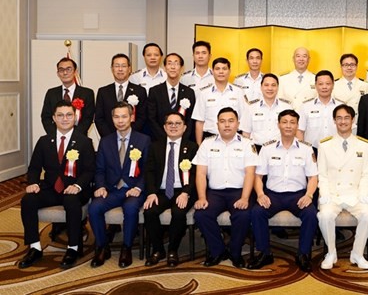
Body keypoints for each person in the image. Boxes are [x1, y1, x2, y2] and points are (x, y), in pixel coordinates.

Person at [18, 100, 95, 269]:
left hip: (74, 189)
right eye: (60, 115)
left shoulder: (84, 142)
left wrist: (78, 186)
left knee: (71, 202)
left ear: (75, 117)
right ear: (54, 118)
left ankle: (73, 248)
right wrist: (33, 183)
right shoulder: (44, 141)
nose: (65, 119)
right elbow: (34, 167)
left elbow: (90, 170)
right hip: (51, 188)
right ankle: (34, 247)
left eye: (69, 115)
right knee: (28, 200)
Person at [247, 109, 318, 272]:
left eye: (292, 123)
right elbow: (258, 177)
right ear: (278, 124)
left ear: (297, 126)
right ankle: (264, 253)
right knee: (257, 212)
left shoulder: (306, 149)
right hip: (273, 195)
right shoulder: (267, 148)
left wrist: (309, 195)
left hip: (298, 195)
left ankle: (303, 254)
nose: (288, 126)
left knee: (311, 214)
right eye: (284, 122)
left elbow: (313, 177)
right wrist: (260, 194)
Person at [192, 107, 258, 268]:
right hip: (215, 193)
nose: (226, 125)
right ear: (217, 124)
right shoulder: (207, 144)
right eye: (222, 121)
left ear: (238, 124)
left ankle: (235, 253)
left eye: (231, 121)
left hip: (239, 191)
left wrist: (244, 198)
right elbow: (200, 174)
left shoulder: (248, 144)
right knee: (201, 214)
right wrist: (201, 197)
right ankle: (218, 251)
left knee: (243, 215)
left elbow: (251, 173)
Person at [88, 102, 151, 268]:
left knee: (130, 209)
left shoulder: (143, 140)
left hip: (134, 189)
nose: (120, 120)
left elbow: (148, 170)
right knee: (94, 208)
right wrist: (100, 186)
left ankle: (127, 248)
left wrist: (138, 188)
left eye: (124, 116)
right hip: (112, 190)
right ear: (112, 118)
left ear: (132, 117)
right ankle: (102, 247)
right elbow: (100, 169)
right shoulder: (105, 141)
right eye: (116, 117)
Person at [317, 104, 368, 270]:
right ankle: (331, 252)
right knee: (324, 216)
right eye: (339, 118)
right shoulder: (324, 144)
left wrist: (363, 193)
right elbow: (322, 174)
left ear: (353, 120)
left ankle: (357, 253)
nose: (343, 122)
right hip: (333, 194)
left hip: (354, 193)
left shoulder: (363, 145)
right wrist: (324, 193)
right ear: (334, 121)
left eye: (347, 118)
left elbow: (366, 174)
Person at [143, 111, 198, 267]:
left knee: (179, 212)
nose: (174, 126)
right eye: (170, 123)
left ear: (185, 127)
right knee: (150, 211)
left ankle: (173, 250)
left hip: (183, 190)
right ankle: (158, 249)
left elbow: (195, 174)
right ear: (164, 127)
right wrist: (151, 192)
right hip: (161, 191)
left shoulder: (192, 147)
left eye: (178, 123)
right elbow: (150, 171)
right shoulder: (155, 146)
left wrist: (186, 193)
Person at [192, 57, 244, 144]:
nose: (221, 72)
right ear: (212, 71)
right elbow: (199, 122)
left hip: (233, 139)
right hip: (210, 138)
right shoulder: (204, 93)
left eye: (224, 69)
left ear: (229, 71)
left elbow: (243, 119)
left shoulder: (238, 92)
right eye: (217, 69)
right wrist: (199, 145)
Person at [95, 53, 147, 137]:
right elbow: (99, 118)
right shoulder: (103, 92)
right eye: (117, 66)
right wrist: (111, 137)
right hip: (109, 138)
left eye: (123, 66)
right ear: (112, 69)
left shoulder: (140, 91)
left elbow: (142, 117)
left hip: (133, 138)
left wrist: (128, 135)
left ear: (129, 69)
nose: (120, 69)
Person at [147, 53, 196, 142]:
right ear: (165, 67)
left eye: (176, 63)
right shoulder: (154, 91)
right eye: (169, 63)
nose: (173, 67)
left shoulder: (189, 92)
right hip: (160, 140)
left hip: (183, 141)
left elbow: (190, 120)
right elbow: (152, 118)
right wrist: (165, 138)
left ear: (181, 68)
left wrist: (182, 138)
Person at [41, 57, 95, 136]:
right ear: (58, 73)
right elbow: (46, 117)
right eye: (61, 70)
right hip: (56, 138)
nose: (65, 73)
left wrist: (73, 136)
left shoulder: (87, 93)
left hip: (79, 137)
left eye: (69, 69)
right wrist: (57, 134)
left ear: (75, 72)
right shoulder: (51, 93)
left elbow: (88, 118)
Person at [240, 73, 292, 150]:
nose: (270, 88)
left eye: (273, 85)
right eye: (266, 85)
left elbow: (291, 132)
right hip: (257, 149)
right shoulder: (251, 107)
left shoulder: (287, 107)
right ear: (261, 87)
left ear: (278, 87)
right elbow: (246, 133)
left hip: (280, 149)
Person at [297, 70, 343, 152]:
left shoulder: (341, 106)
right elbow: (300, 131)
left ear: (333, 85)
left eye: (328, 84)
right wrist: (302, 152)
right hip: (311, 151)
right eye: (320, 84)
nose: (324, 87)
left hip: (336, 150)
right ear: (315, 86)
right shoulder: (306, 107)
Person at [332, 54, 368, 124]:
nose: (349, 68)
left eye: (352, 65)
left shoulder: (366, 85)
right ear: (341, 67)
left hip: (359, 125)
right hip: (340, 125)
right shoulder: (333, 85)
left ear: (356, 66)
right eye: (345, 65)